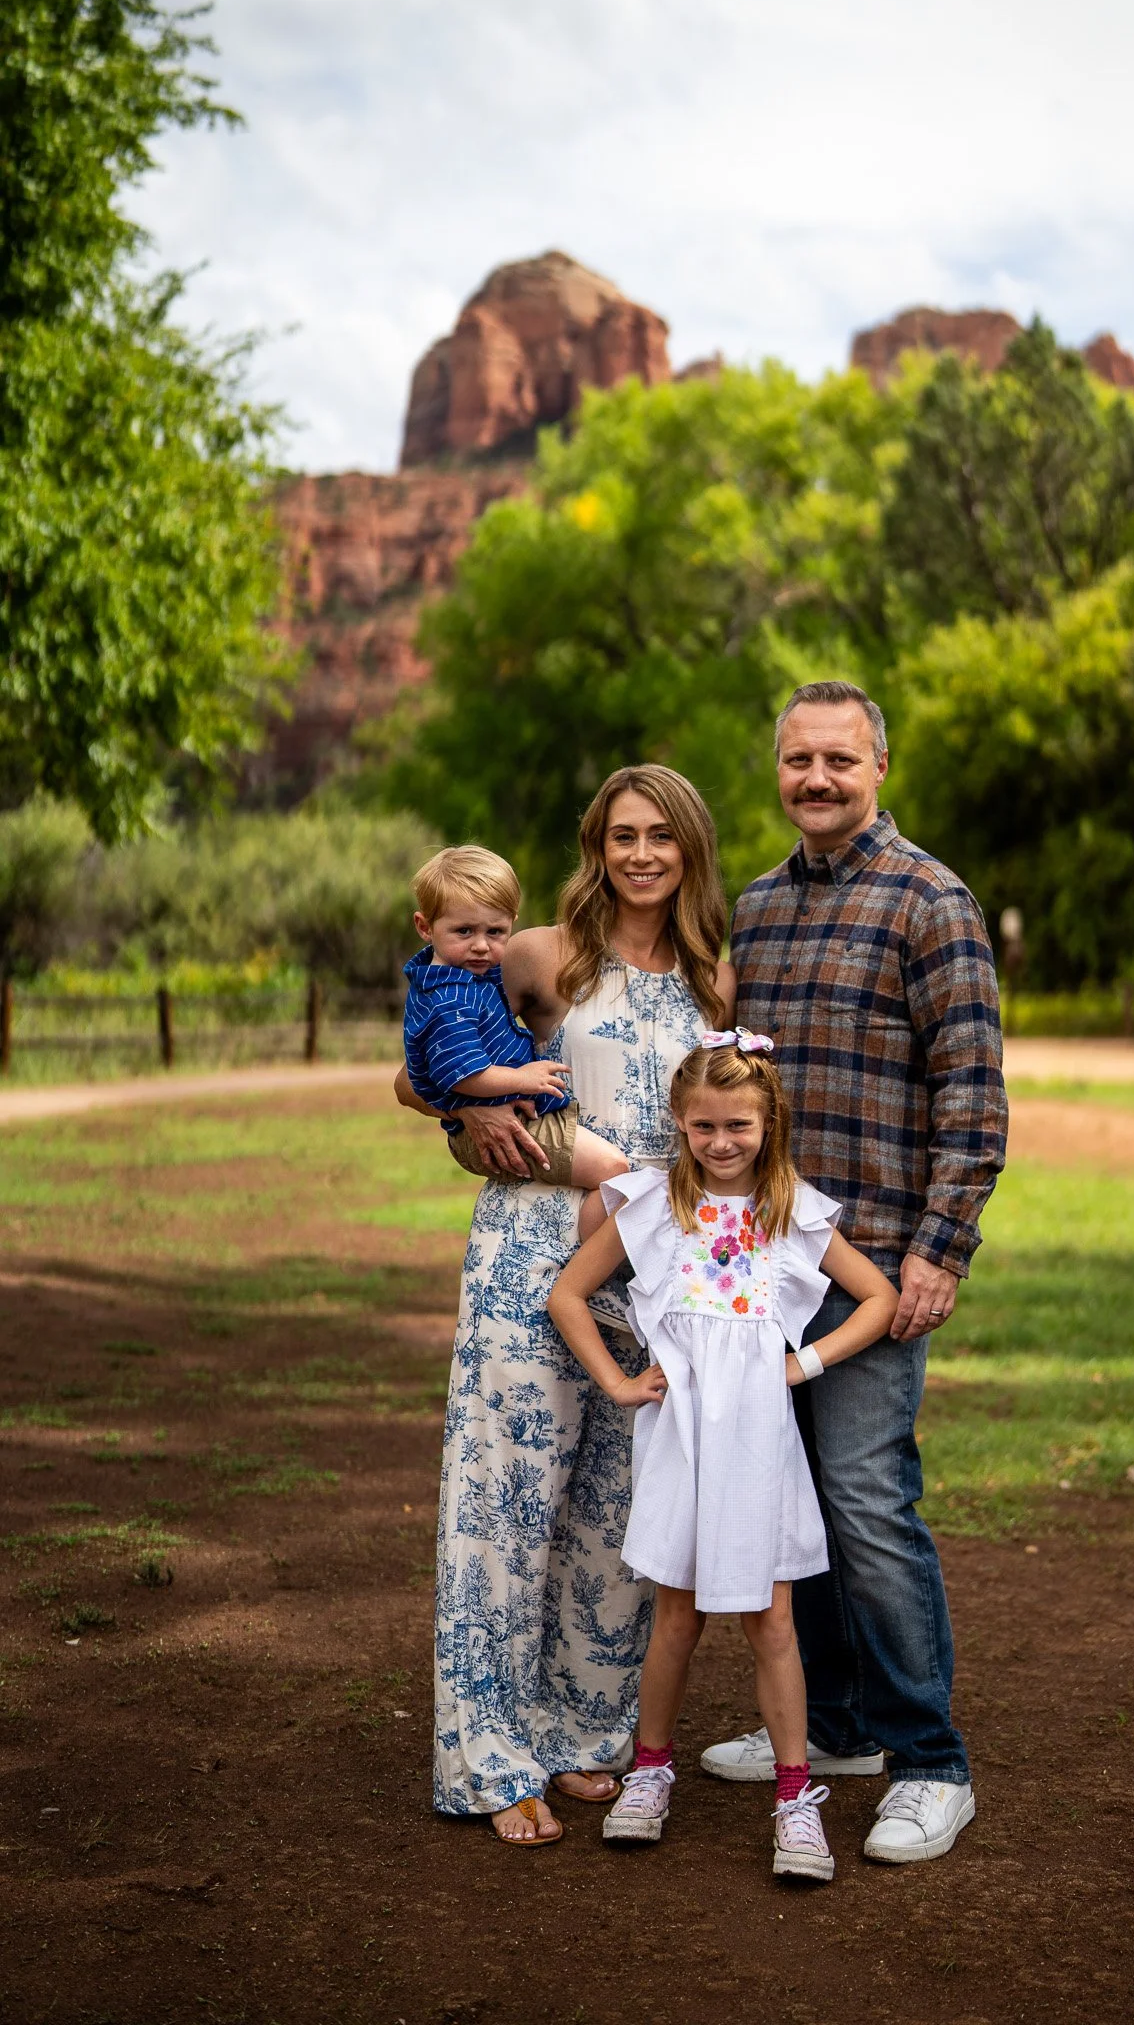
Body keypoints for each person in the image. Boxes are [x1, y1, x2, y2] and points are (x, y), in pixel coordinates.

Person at [395, 766, 735, 1847]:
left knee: (620, 1511)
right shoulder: (541, 953)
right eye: (621, 834)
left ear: (689, 849)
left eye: (661, 836)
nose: (641, 854)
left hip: (659, 1275)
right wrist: (472, 1125)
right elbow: (418, 1074)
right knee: (507, 1506)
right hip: (532, 1256)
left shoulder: (712, 983)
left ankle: (585, 1728)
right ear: (595, 843)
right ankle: (491, 1755)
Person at [701, 679, 1008, 1866]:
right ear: (775, 769)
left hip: (876, 1266)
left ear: (880, 765)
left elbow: (972, 1099)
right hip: (765, 1271)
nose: (816, 778)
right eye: (796, 759)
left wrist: (940, 1248)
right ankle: (835, 1729)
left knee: (870, 1500)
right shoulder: (761, 909)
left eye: (839, 758)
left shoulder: (933, 900)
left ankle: (931, 1758)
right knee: (799, 1502)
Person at [548, 1035, 898, 1881]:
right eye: (702, 1125)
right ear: (680, 1122)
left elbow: (879, 1298)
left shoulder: (793, 1211)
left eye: (738, 1124)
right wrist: (620, 1383)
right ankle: (652, 1771)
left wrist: (800, 1363)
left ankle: (793, 1799)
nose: (721, 1141)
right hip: (681, 1438)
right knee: (677, 1615)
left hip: (758, 1445)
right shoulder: (651, 1204)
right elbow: (566, 1292)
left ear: (767, 1120)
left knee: (771, 1620)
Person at [402, 843, 628, 1236]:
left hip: (508, 1112)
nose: (481, 945)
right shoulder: (450, 998)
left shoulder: (471, 976)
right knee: (615, 1175)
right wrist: (523, 1079)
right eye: (464, 931)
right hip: (495, 1124)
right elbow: (463, 1076)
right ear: (425, 927)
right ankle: (586, 1266)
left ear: (512, 923)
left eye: (495, 931)